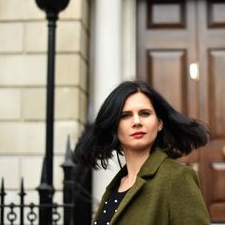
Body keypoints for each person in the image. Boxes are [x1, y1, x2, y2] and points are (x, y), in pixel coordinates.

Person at [74, 80, 210, 225]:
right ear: (114, 126)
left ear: (159, 123)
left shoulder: (177, 177)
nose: (136, 121)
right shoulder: (116, 185)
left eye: (145, 113)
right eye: (125, 115)